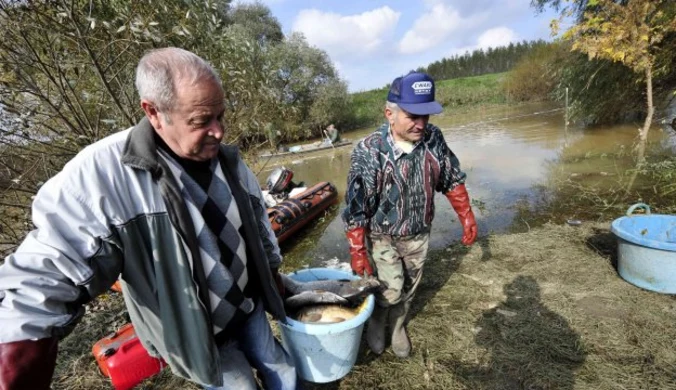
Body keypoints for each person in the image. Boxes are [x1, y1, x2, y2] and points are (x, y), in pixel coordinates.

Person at [0, 48, 298, 390]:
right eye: (202, 120)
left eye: (221, 116)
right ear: (153, 112)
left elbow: (259, 221)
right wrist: (18, 340)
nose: (219, 131)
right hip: (199, 333)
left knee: (282, 369)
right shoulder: (103, 174)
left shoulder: (227, 159)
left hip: (248, 307)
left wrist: (273, 270)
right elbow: (45, 269)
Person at [342, 71, 478, 358]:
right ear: (389, 114)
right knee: (388, 288)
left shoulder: (434, 138)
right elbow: (356, 206)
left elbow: (451, 178)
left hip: (418, 232)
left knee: (410, 287)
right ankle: (378, 321)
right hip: (382, 236)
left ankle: (398, 326)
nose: (421, 124)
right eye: (413, 116)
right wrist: (357, 250)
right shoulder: (369, 151)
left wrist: (466, 215)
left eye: (425, 116)